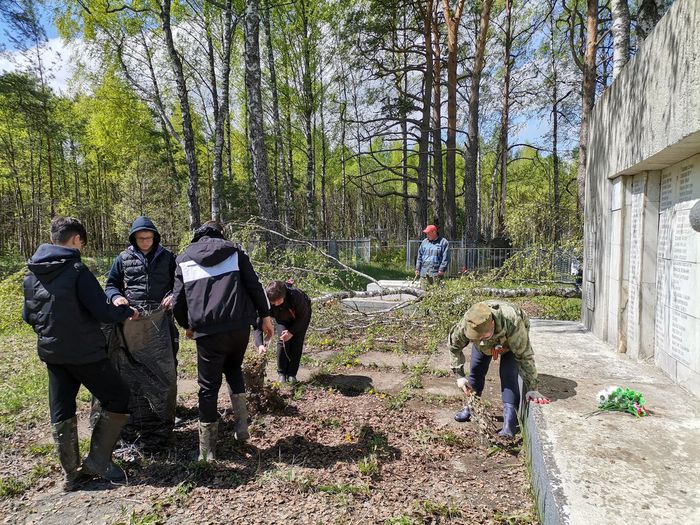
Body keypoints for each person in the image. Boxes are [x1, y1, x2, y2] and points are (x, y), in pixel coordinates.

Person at [23, 217, 139, 490]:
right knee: (118, 396)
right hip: (85, 353)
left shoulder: (33, 272)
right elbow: (102, 311)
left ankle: (71, 474)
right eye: (82, 243)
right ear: (76, 240)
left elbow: (28, 315)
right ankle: (98, 462)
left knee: (62, 408)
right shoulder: (76, 270)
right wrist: (125, 311)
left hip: (52, 352)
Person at [171, 221, 273, 461]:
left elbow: (178, 300)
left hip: (207, 332)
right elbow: (255, 286)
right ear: (221, 234)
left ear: (197, 236)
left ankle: (207, 451)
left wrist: (186, 324)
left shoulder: (184, 258)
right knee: (234, 370)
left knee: (208, 387)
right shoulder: (235, 252)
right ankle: (242, 428)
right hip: (238, 328)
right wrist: (265, 317)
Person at [448, 300, 550, 438]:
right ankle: (470, 408)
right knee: (476, 370)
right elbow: (454, 347)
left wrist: (532, 387)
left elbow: (524, 355)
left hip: (509, 341)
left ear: (492, 324)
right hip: (484, 347)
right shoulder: (467, 323)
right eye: (476, 338)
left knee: (508, 375)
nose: (481, 340)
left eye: (483, 336)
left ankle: (510, 423)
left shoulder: (512, 321)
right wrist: (459, 375)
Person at [105, 216, 178, 354]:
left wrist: (174, 295)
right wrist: (116, 297)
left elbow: (180, 283)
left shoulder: (168, 257)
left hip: (161, 316)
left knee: (164, 356)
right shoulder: (123, 258)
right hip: (134, 316)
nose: (145, 242)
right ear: (134, 238)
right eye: (141, 238)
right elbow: (111, 285)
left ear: (155, 237)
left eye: (148, 238)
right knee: (134, 358)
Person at [253, 280, 312, 384]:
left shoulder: (296, 296)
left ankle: (292, 374)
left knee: (296, 343)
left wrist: (291, 332)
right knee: (282, 341)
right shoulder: (265, 301)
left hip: (300, 317)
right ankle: (281, 374)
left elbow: (303, 317)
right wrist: (260, 345)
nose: (275, 304)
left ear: (283, 296)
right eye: (273, 302)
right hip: (282, 318)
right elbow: (258, 325)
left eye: (278, 301)